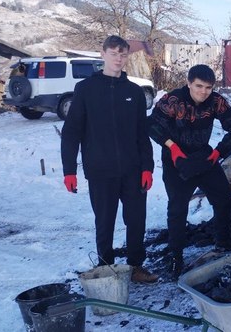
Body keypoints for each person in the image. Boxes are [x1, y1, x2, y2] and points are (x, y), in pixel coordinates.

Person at [61, 35, 158, 284]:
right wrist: (69, 170)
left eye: (123, 54)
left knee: (136, 220)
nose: (118, 58)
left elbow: (141, 133)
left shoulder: (134, 92)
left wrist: (147, 167)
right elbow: (72, 132)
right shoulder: (86, 89)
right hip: (100, 170)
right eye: (114, 53)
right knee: (105, 221)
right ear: (103, 54)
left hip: (133, 169)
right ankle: (106, 267)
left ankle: (136, 266)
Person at [147, 64, 231, 277]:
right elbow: (151, 124)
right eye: (199, 86)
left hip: (203, 156)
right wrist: (171, 146)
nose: (203, 91)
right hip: (177, 159)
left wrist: (219, 152)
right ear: (189, 83)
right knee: (177, 208)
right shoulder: (173, 100)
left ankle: (223, 241)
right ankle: (176, 256)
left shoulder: (216, 101)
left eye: (208, 87)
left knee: (222, 196)